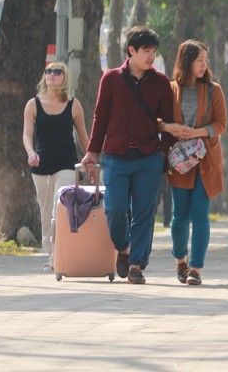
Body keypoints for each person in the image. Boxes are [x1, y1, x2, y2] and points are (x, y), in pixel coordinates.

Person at [81, 26, 174, 285]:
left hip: (148, 158)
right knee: (115, 208)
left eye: (154, 52)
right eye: (146, 51)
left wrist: (163, 155)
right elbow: (100, 117)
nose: (151, 57)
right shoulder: (110, 79)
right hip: (115, 156)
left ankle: (136, 265)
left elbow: (169, 121)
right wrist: (92, 150)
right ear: (131, 50)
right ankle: (123, 247)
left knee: (144, 213)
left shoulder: (161, 83)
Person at [160, 40, 227, 286]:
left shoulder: (213, 89)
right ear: (186, 61)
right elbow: (157, 120)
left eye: (206, 61)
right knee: (179, 216)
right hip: (179, 161)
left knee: (200, 214)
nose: (203, 65)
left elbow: (221, 124)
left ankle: (196, 269)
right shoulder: (170, 89)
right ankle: (181, 260)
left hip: (206, 160)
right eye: (199, 60)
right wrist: (169, 127)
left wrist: (196, 132)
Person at [23, 62, 91, 272]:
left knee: (59, 209)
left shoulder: (73, 104)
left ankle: (57, 257)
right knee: (46, 213)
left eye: (57, 72)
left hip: (66, 164)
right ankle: (51, 251)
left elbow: (82, 135)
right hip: (41, 164)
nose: (52, 75)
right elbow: (26, 134)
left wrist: (91, 157)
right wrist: (31, 153)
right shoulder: (33, 104)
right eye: (48, 71)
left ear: (64, 77)